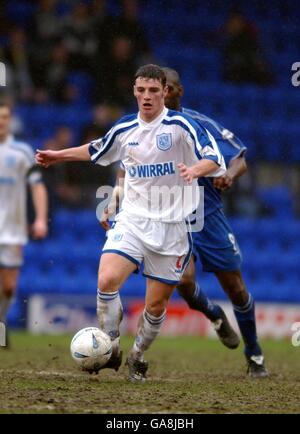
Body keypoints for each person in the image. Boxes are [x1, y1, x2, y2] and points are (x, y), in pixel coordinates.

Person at [36, 64, 226, 383]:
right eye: (141, 90)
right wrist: (58, 155)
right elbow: (96, 149)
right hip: (133, 220)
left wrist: (196, 171)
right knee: (107, 279)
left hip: (173, 228)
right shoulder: (126, 129)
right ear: (134, 92)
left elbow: (215, 159)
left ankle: (137, 355)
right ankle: (110, 344)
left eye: (154, 90)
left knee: (155, 306)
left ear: (164, 91)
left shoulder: (182, 125)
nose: (147, 96)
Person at [102, 67, 268, 378]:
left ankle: (254, 352)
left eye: (167, 89)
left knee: (235, 287)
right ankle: (213, 314)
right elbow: (125, 166)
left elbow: (238, 157)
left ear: (178, 91)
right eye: (153, 90)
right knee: (183, 280)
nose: (159, 95)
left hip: (207, 216)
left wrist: (228, 176)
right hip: (168, 217)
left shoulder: (199, 123)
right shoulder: (139, 126)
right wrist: (115, 196)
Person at [0, 103, 48, 342]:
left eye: (5, 117)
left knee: (8, 287)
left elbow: (37, 186)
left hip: (12, 229)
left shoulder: (21, 152)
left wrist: (40, 219)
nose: (1, 121)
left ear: (10, 120)